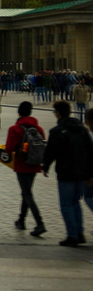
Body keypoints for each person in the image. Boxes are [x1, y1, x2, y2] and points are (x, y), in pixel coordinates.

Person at [43, 100, 93, 247]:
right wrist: (90, 173)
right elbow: (90, 153)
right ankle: (79, 232)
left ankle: (72, 235)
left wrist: (45, 166)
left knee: (66, 204)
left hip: (66, 173)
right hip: (82, 173)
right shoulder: (82, 130)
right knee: (75, 202)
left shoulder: (57, 131)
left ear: (58, 113)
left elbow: (50, 152)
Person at [6, 101, 47, 237]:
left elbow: (9, 148)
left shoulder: (15, 129)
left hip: (21, 164)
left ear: (19, 112)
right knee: (26, 192)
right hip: (34, 165)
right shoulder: (38, 129)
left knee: (27, 194)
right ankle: (21, 220)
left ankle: (39, 223)